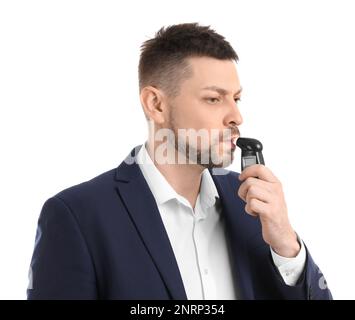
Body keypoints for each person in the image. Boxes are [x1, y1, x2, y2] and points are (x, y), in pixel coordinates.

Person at [27, 23, 332, 300]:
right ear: (155, 104)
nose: (236, 116)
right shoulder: (77, 216)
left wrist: (286, 246)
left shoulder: (253, 205)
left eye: (236, 98)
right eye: (214, 98)